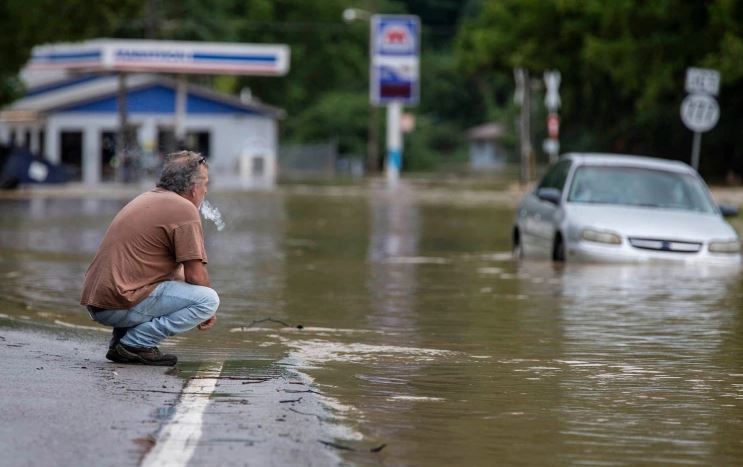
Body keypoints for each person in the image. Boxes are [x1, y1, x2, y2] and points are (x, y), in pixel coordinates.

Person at [81, 150, 219, 366]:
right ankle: (136, 344)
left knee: (170, 280)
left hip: (100, 301)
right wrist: (208, 312)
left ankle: (121, 344)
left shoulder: (149, 198)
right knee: (208, 300)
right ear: (194, 188)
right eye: (206, 184)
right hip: (118, 302)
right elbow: (196, 274)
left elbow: (179, 273)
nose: (206, 191)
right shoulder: (184, 209)